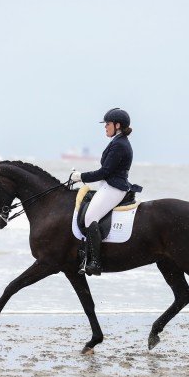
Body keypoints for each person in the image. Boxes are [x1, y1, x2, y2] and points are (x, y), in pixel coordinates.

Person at [71, 108, 142, 276]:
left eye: (108, 124)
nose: (105, 128)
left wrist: (81, 176)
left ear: (117, 125)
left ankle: (95, 262)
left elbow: (104, 172)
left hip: (114, 188)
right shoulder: (118, 141)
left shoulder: (119, 144)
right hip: (108, 185)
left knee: (90, 217)